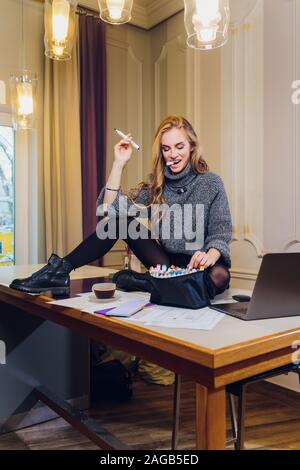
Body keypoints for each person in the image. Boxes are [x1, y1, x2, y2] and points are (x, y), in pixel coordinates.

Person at [10, 115, 232, 298]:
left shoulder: (211, 182)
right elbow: (109, 213)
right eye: (166, 149)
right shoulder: (156, 184)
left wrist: (210, 255)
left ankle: (144, 282)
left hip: (199, 266)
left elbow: (221, 232)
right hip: (165, 264)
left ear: (192, 146)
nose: (173, 154)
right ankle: (58, 271)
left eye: (179, 146)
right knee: (120, 222)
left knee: (220, 277)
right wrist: (118, 164)